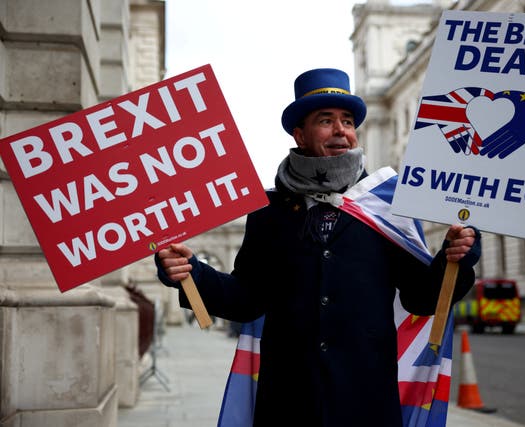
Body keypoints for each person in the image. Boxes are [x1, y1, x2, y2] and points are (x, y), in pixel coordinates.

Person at [156, 68, 481, 427]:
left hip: (366, 402)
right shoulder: (270, 211)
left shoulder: (388, 202)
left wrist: (457, 258)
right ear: (300, 134)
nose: (341, 130)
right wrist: (191, 273)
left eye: (347, 121)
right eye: (326, 121)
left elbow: (420, 298)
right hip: (288, 402)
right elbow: (246, 298)